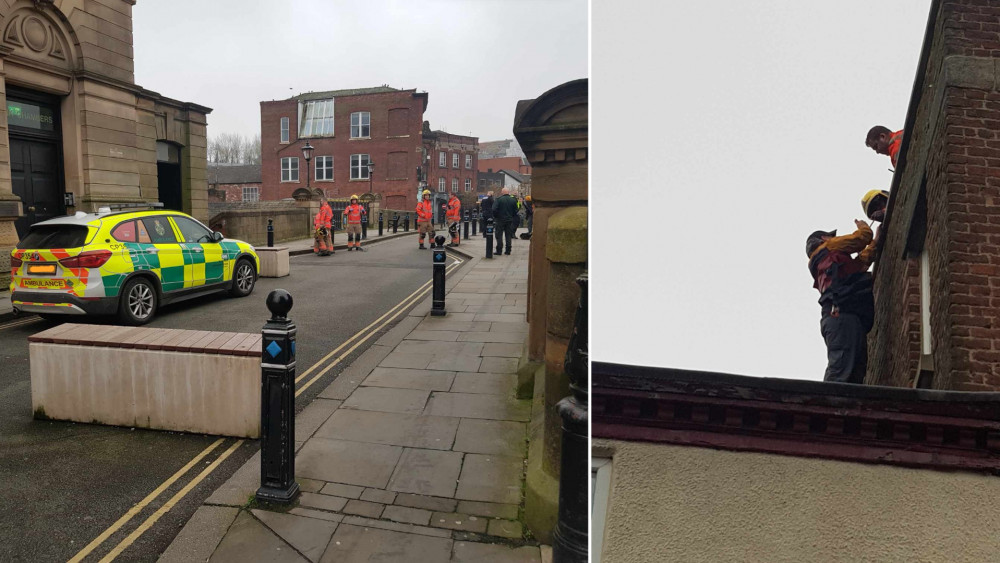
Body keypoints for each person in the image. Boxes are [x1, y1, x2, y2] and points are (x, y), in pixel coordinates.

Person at [806, 221, 875, 384]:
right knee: (841, 367)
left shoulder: (828, 264)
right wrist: (864, 227)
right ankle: (826, 402)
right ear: (824, 238)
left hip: (844, 316)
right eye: (831, 237)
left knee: (856, 369)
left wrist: (875, 245)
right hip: (840, 315)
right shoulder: (828, 247)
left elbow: (859, 264)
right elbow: (862, 238)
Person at [858, 189, 889, 267]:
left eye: (878, 203)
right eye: (874, 209)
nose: (878, 208)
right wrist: (875, 241)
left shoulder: (900, 200)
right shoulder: (882, 230)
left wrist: (884, 212)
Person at [493, 187, 519, 255]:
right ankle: (508, 250)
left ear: (502, 192)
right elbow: (516, 210)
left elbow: (494, 209)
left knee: (499, 235)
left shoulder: (498, 200)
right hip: (509, 220)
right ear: (508, 192)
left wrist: (496, 216)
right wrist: (512, 216)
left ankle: (499, 250)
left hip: (500, 219)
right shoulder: (513, 200)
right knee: (508, 235)